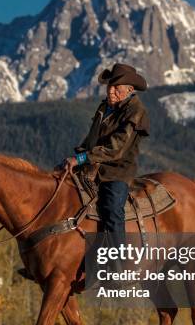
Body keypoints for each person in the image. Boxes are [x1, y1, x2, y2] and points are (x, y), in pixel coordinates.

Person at [63, 63, 149, 243]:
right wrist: (76, 156)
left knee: (112, 211)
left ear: (129, 89)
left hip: (116, 172)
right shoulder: (104, 108)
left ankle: (117, 264)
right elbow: (90, 139)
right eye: (110, 86)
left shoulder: (136, 112)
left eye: (116, 88)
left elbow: (115, 149)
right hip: (91, 165)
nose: (111, 91)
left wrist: (81, 158)